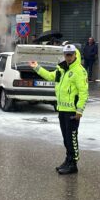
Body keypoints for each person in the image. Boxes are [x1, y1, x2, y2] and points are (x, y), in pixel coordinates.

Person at [29, 44, 88, 175]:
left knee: (72, 138)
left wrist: (79, 111)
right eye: (66, 54)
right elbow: (50, 76)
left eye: (70, 54)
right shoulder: (61, 69)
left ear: (75, 55)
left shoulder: (79, 71)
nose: (68, 57)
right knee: (66, 138)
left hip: (72, 112)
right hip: (62, 109)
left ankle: (73, 164)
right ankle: (68, 160)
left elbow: (84, 93)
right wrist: (37, 68)